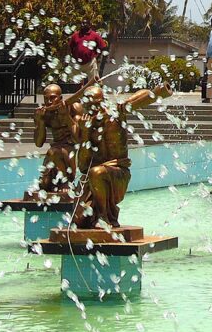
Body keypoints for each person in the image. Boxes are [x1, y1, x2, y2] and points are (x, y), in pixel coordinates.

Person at [65, 80, 172, 229]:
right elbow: (83, 167)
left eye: (97, 105)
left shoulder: (115, 114)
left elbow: (143, 96)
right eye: (89, 106)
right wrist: (85, 135)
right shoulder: (85, 125)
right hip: (94, 179)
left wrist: (149, 94)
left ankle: (103, 218)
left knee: (96, 172)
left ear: (103, 102)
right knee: (79, 220)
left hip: (118, 172)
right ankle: (100, 215)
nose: (94, 109)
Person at [32, 84, 76, 196]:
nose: (49, 102)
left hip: (72, 148)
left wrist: (66, 116)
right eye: (46, 99)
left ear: (60, 98)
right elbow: (38, 143)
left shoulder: (73, 108)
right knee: (43, 185)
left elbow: (78, 137)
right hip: (55, 149)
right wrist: (40, 122)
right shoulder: (44, 113)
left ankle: (65, 182)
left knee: (54, 152)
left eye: (53, 98)